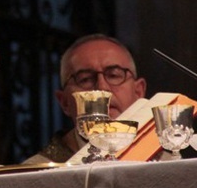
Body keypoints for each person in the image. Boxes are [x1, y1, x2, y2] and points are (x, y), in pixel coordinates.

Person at [22, 33, 147, 164]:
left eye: (114, 75)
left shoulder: (167, 158)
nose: (102, 88)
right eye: (85, 79)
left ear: (138, 92)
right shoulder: (36, 172)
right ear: (64, 102)